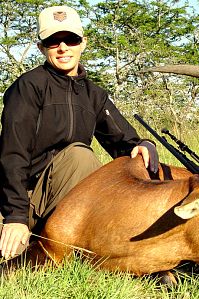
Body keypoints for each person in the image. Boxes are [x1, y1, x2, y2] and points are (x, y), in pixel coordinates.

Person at [0, 6, 158, 260]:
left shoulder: (94, 94)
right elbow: (13, 154)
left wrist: (143, 145)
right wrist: (15, 216)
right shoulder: (29, 86)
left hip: (68, 197)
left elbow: (124, 141)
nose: (63, 48)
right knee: (80, 156)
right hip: (28, 197)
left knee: (135, 162)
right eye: (53, 41)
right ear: (42, 48)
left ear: (83, 43)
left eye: (70, 39)